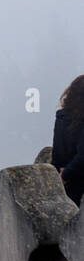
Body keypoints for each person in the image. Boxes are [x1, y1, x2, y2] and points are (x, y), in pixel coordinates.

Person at [52, 75, 84, 205]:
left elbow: (57, 152)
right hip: (78, 179)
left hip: (64, 183)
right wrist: (67, 174)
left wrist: (58, 176)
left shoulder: (61, 117)